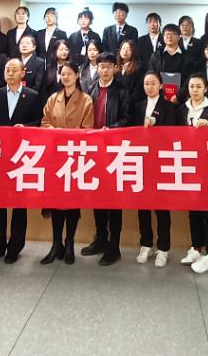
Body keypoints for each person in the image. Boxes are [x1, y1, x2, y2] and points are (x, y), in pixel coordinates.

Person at [0, 58, 43, 263]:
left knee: (19, 204)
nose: (10, 73)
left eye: (14, 69)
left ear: (22, 73)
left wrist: (26, 127)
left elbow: (39, 121)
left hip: (22, 156)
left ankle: (15, 247)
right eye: (7, 69)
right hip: (0, 156)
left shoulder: (33, 96)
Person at [40, 62, 94, 265]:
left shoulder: (86, 100)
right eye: (63, 74)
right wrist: (56, 133)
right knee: (55, 201)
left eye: (69, 73)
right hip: (55, 156)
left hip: (74, 157)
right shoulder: (53, 98)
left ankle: (69, 242)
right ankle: (56, 244)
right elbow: (44, 122)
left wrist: (66, 136)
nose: (66, 77)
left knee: (72, 203)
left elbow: (88, 129)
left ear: (77, 75)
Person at [81, 52, 131, 266]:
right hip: (93, 150)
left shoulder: (122, 91)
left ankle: (114, 246)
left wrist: (111, 129)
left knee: (113, 199)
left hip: (113, 150)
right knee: (97, 196)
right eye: (101, 66)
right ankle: (100, 238)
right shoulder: (90, 88)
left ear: (115, 69)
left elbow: (127, 118)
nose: (105, 70)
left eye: (109, 66)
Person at [177, 73, 208, 274]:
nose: (194, 90)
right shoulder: (182, 109)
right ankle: (197, 247)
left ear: (205, 89)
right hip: (188, 164)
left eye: (198, 87)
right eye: (191, 86)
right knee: (193, 209)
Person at [131, 72, 176, 267]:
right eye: (146, 83)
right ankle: (146, 243)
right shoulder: (138, 106)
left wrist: (156, 125)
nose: (149, 87)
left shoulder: (169, 106)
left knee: (161, 206)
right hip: (141, 160)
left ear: (161, 85)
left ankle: (164, 247)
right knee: (142, 205)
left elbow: (173, 131)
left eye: (153, 83)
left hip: (161, 160)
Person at [148, 24, 188, 100]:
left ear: (179, 36)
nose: (169, 36)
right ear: (163, 36)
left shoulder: (187, 56)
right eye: (167, 34)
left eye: (173, 34)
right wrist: (161, 95)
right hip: (160, 97)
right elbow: (151, 76)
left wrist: (178, 96)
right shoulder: (156, 56)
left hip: (181, 99)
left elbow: (189, 79)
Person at [116, 40, 143, 104]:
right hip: (116, 102)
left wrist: (126, 102)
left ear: (133, 52)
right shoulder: (116, 67)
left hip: (130, 104)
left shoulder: (138, 69)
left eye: (129, 49)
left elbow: (137, 91)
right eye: (123, 48)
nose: (125, 51)